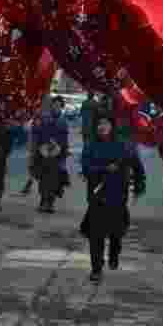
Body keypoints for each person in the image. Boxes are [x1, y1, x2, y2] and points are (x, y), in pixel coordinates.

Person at [80, 115, 146, 283]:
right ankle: (96, 268)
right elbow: (86, 168)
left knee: (116, 233)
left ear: (112, 126)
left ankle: (114, 253)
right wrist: (103, 169)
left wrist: (139, 185)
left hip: (117, 196)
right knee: (96, 234)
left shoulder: (123, 145)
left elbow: (137, 166)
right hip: (97, 197)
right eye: (99, 124)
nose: (102, 127)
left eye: (105, 124)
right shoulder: (90, 146)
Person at [31, 96, 70, 213]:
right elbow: (37, 134)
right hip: (43, 153)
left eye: (59, 105)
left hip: (56, 155)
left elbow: (64, 139)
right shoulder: (44, 118)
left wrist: (62, 149)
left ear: (61, 107)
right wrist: (37, 149)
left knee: (54, 181)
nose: (56, 107)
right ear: (51, 106)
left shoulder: (63, 122)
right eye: (55, 105)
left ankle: (50, 203)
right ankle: (43, 201)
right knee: (43, 179)